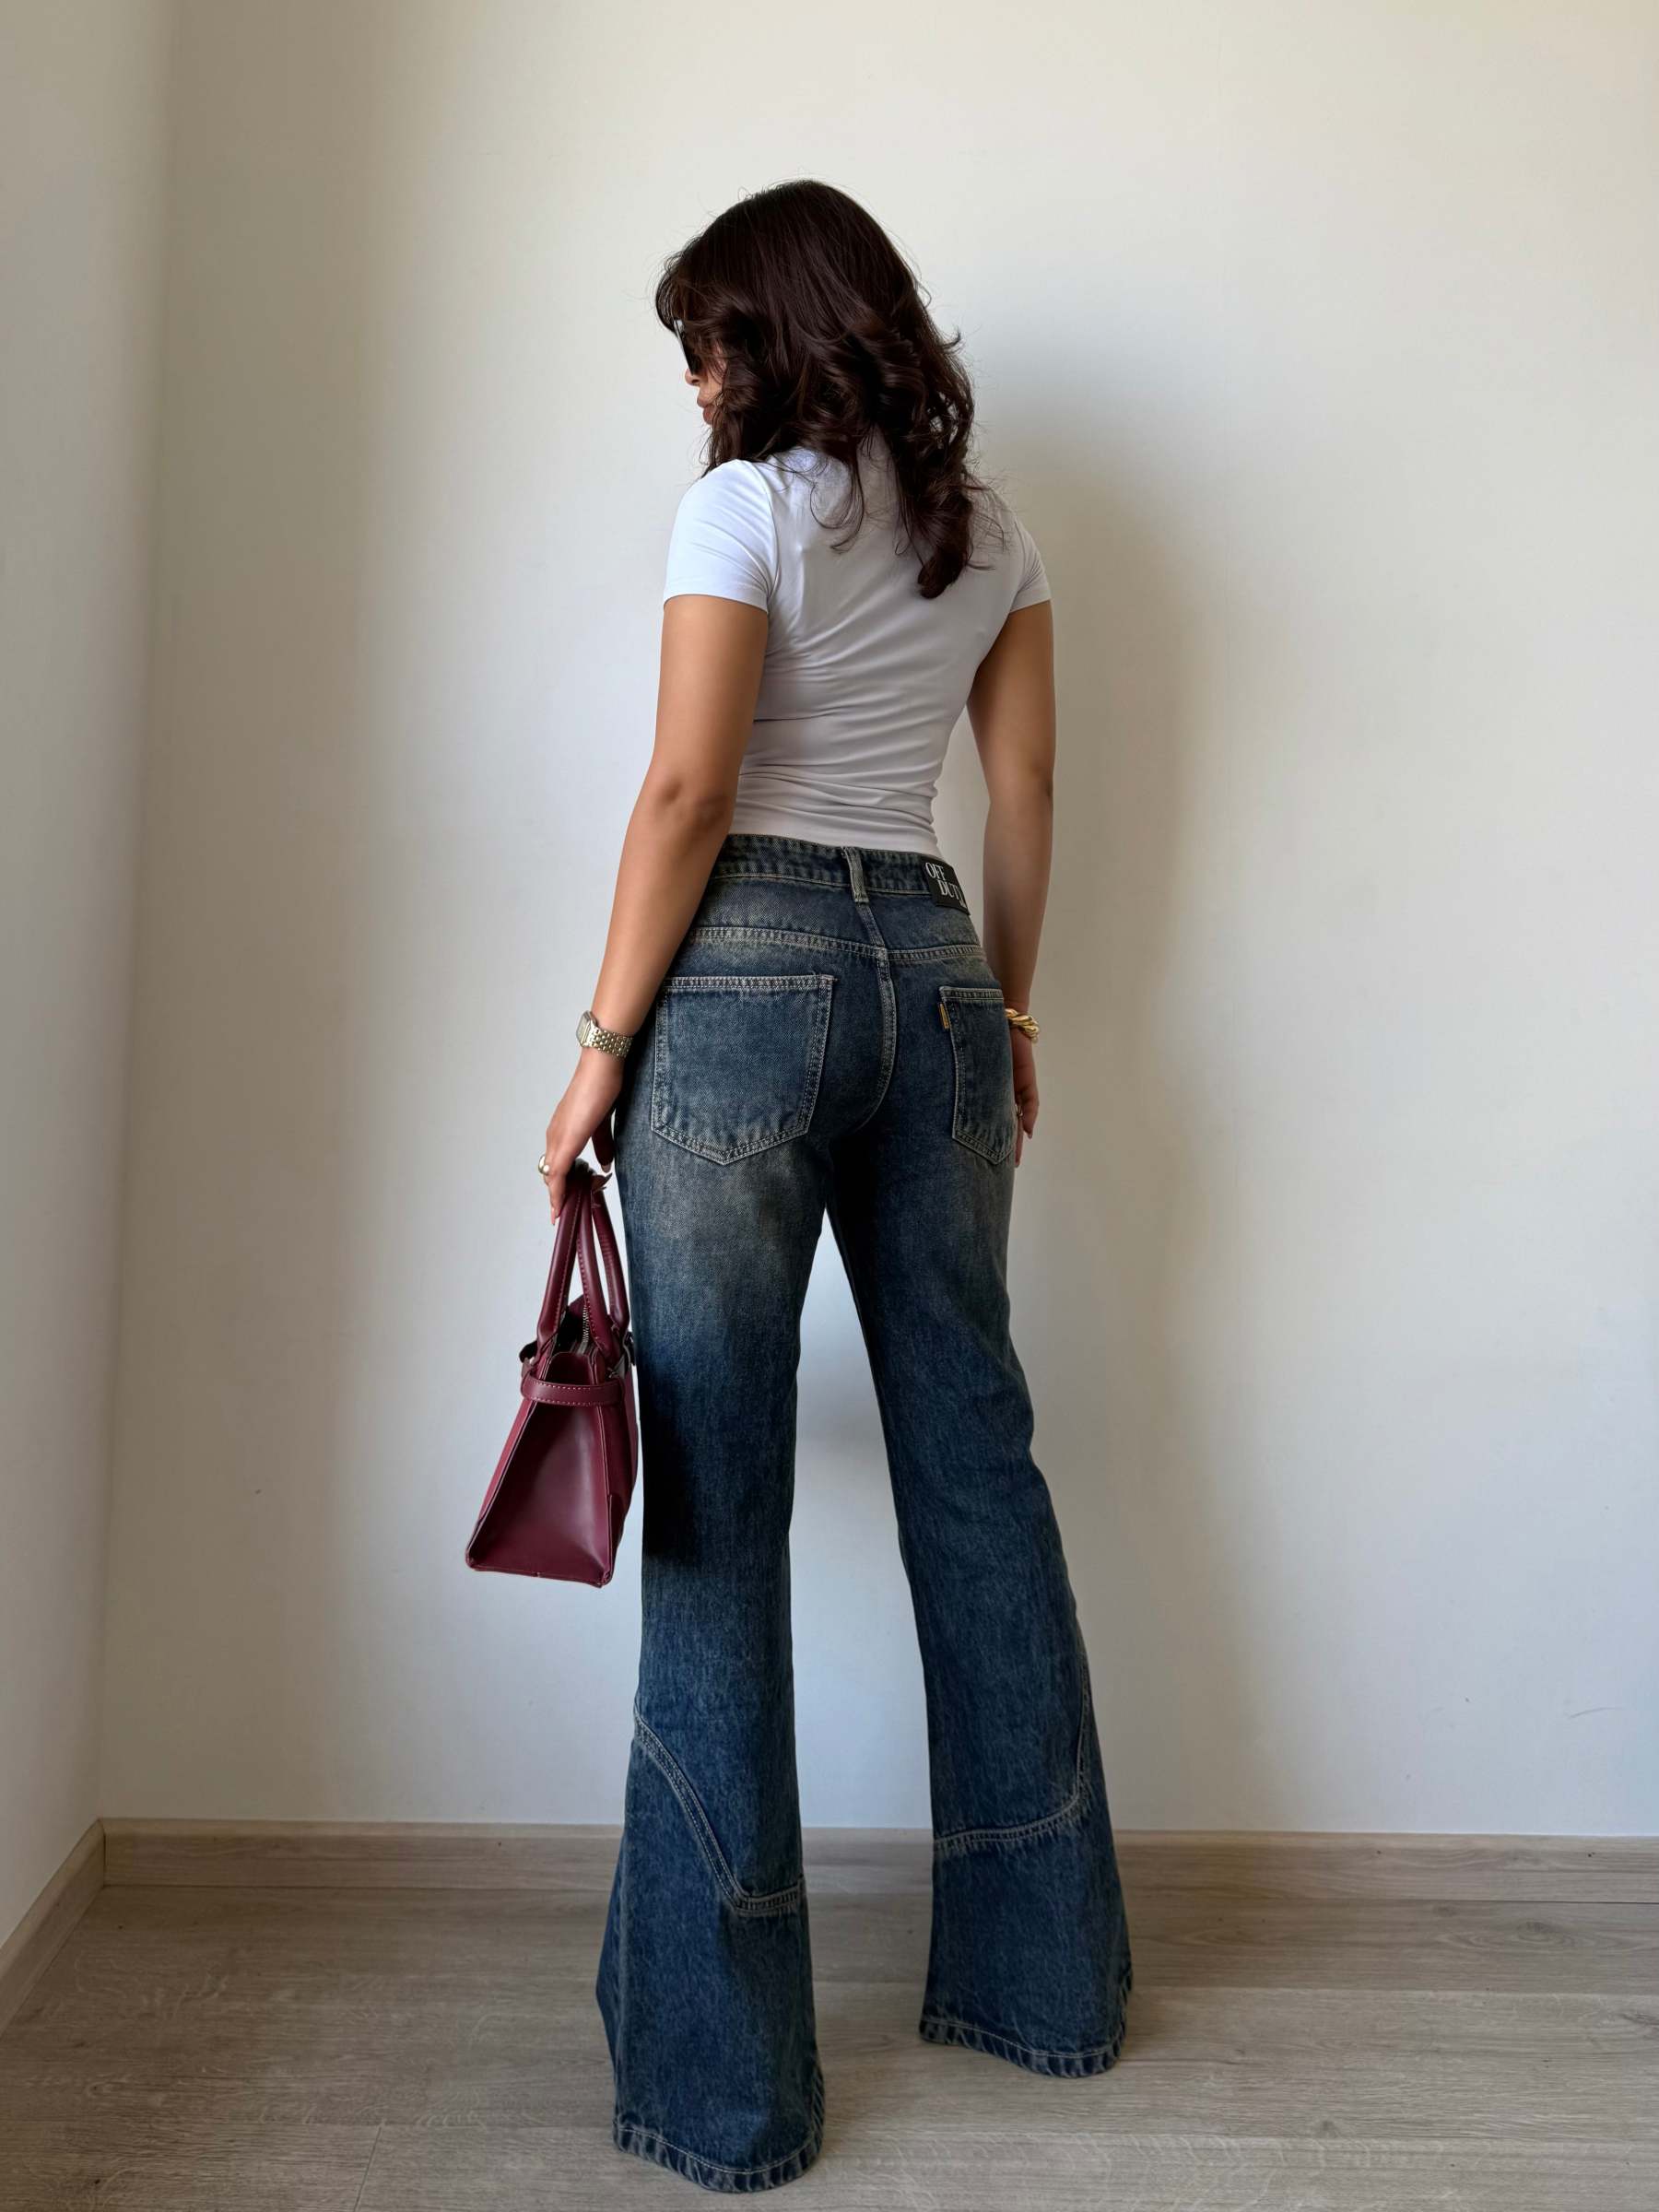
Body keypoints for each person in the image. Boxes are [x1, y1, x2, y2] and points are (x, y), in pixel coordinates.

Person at [537, 178, 1132, 2194]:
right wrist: (1011, 1008)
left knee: (718, 1492)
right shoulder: (991, 530)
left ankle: (729, 2090)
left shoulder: (743, 513)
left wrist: (601, 1044)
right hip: (939, 971)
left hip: (744, 986)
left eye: (705, 339)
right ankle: (1048, 1993)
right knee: (979, 1464)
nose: (695, 381)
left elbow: (691, 790)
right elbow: (1024, 789)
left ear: (771, 332)